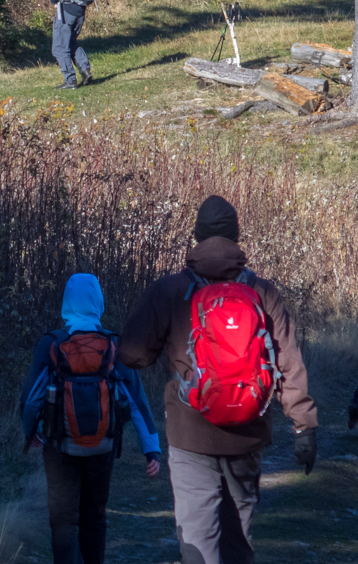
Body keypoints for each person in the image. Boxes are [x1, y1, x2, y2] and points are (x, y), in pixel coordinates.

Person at [119, 196, 318, 564]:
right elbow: (289, 361)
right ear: (236, 236)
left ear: (196, 236)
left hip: (190, 433)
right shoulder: (262, 292)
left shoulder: (170, 291)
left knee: (197, 540)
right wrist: (304, 427)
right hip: (248, 433)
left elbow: (131, 353)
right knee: (237, 540)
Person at [21, 273, 161, 564]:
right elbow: (137, 400)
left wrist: (30, 431)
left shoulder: (50, 344)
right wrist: (151, 449)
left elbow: (32, 398)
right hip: (103, 446)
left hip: (59, 446)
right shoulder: (113, 344)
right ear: (98, 301)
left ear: (66, 303)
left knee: (63, 519)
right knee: (95, 517)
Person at [49, 0, 96, 90]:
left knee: (59, 48)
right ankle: (85, 69)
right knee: (70, 42)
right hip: (81, 9)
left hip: (66, 9)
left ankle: (70, 81)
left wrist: (54, 1)